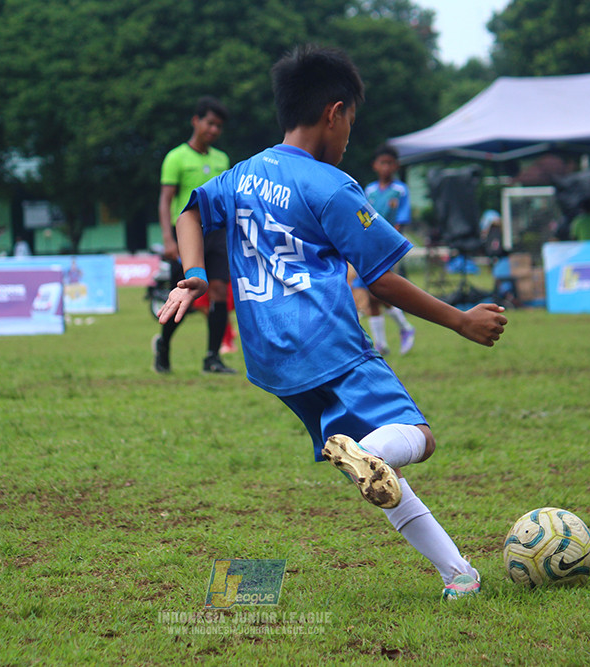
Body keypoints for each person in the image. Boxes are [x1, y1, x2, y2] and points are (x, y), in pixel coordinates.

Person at [158, 45, 507, 599]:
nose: (349, 136)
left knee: (380, 476)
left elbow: (190, 211)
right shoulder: (330, 186)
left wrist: (194, 273)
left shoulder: (244, 173)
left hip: (271, 357)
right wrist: (461, 321)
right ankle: (373, 458)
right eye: (351, 121)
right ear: (333, 112)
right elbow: (382, 279)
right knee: (417, 437)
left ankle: (458, 573)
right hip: (329, 344)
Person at [153, 96, 235, 374]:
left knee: (220, 293)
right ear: (196, 121)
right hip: (187, 237)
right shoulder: (176, 157)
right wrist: (168, 239)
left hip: (219, 234)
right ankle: (163, 346)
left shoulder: (222, 159)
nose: (214, 130)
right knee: (184, 297)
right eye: (210, 123)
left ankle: (212, 358)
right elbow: (166, 201)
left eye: (219, 126)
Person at [356, 144, 417, 355]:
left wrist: (388, 241)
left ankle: (406, 328)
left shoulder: (400, 191)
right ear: (375, 165)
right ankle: (381, 343)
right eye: (382, 162)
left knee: (381, 290)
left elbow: (401, 220)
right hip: (371, 245)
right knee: (372, 293)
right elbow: (364, 218)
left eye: (390, 163)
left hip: (390, 246)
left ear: (396, 165)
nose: (386, 167)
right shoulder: (370, 191)